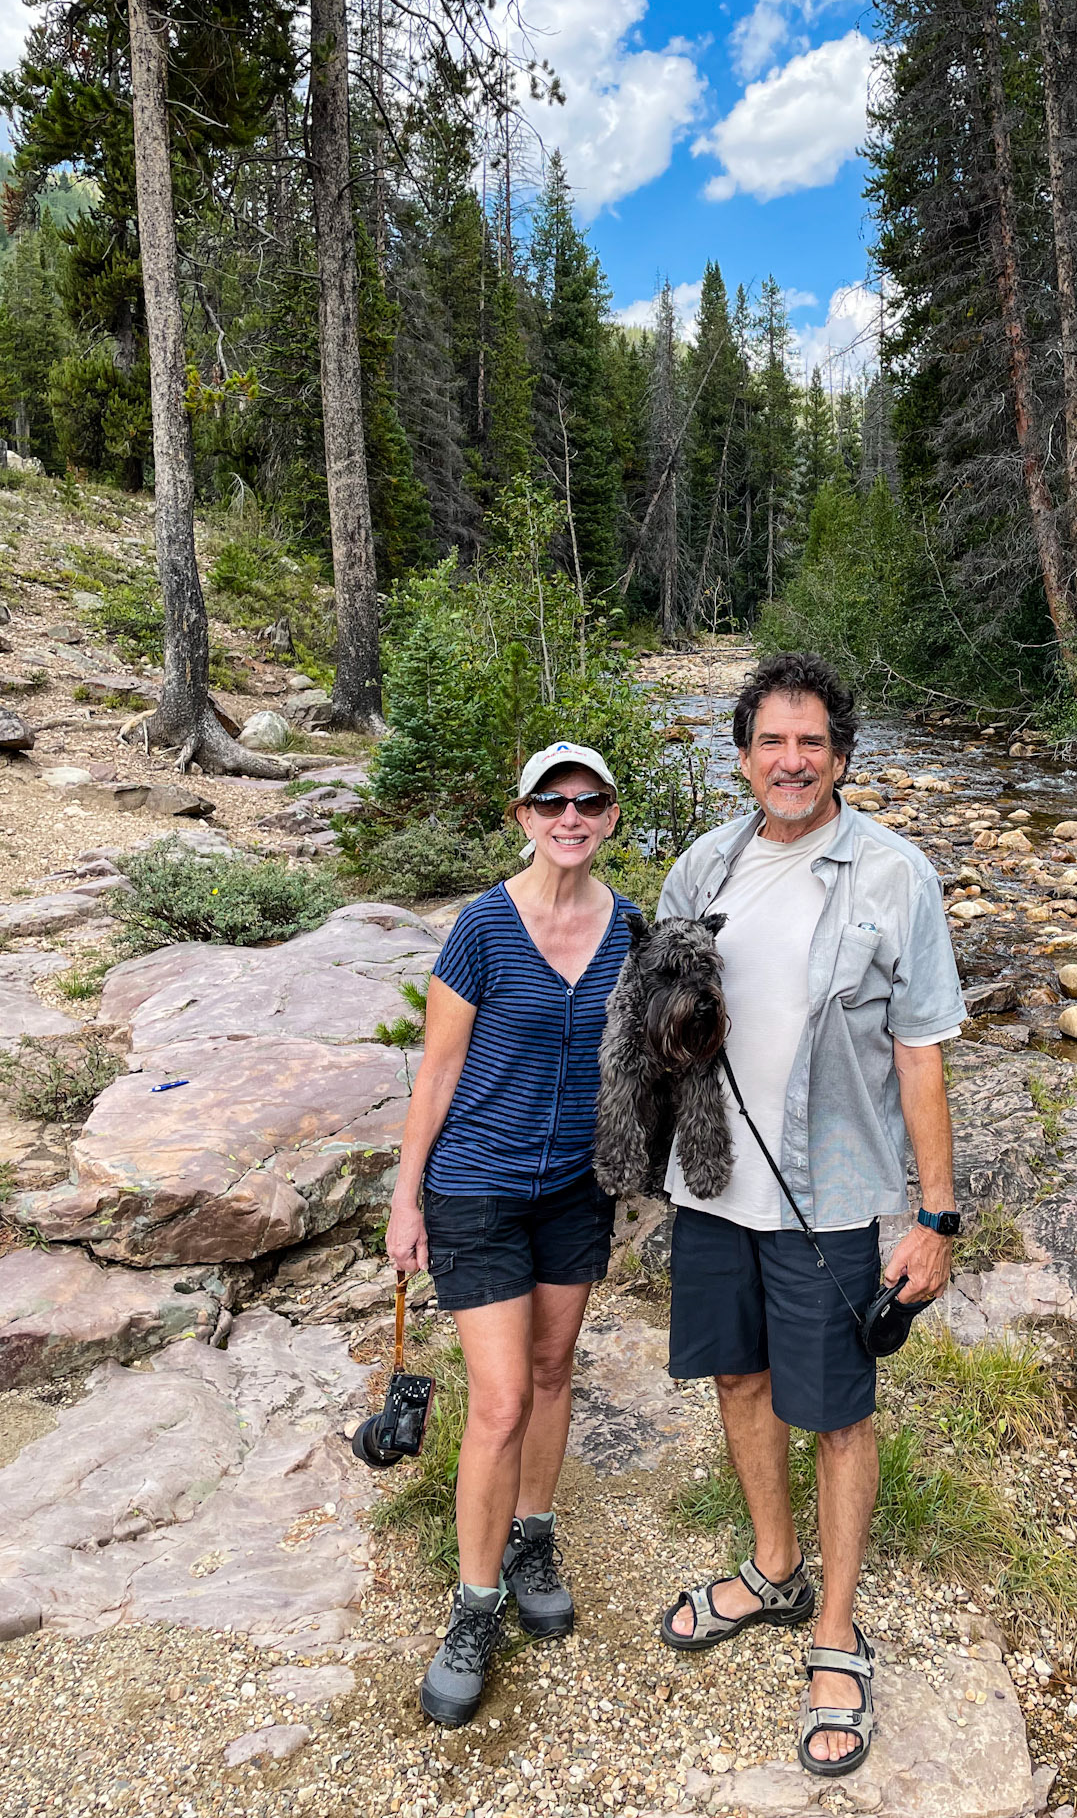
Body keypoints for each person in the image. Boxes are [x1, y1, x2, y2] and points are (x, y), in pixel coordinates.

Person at [655, 651, 966, 1778]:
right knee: (740, 1379)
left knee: (835, 1408)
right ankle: (773, 1566)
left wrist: (933, 1214)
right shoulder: (706, 862)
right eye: (771, 742)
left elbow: (920, 1050)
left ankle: (835, 1632)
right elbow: (659, 1010)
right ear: (742, 756)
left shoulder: (894, 876)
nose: (792, 760)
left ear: (841, 753)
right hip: (712, 1183)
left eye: (813, 741)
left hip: (831, 1193)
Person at [386, 741, 635, 1728]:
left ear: (611, 815)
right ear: (522, 814)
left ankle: (535, 1531)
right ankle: (474, 1602)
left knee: (553, 1367)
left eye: (588, 800)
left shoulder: (631, 929)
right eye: (551, 800)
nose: (569, 815)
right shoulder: (482, 929)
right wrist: (407, 1197)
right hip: (478, 1188)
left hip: (578, 1190)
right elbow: (437, 1074)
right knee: (497, 1399)